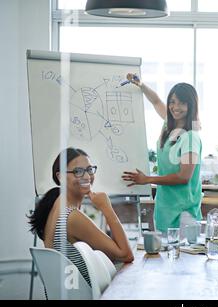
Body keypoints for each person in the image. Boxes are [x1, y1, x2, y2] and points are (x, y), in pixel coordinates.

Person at [29, 148, 134, 285]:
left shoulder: (56, 202)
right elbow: (126, 255)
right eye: (78, 172)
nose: (87, 177)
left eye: (89, 169)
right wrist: (106, 208)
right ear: (60, 176)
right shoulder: (71, 217)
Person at [121, 74, 202, 233]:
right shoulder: (169, 124)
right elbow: (156, 101)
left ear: (191, 105)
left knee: (184, 257)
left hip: (183, 213)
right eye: (172, 102)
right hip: (165, 209)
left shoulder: (191, 137)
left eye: (182, 103)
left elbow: (184, 176)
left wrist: (147, 179)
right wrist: (141, 85)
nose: (175, 107)